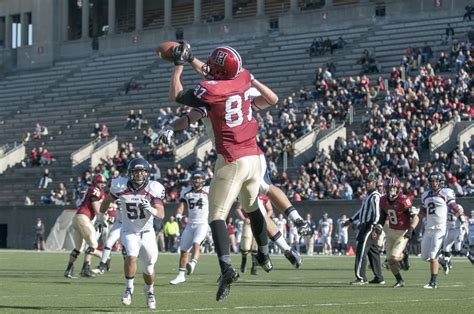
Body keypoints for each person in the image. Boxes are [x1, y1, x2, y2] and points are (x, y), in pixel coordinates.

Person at [168, 42, 279, 301]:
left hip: (231, 159)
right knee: (252, 208)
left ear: (217, 72)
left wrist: (178, 66)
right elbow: (214, 72)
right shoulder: (242, 76)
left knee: (216, 215)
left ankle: (226, 268)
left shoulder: (211, 90)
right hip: (254, 157)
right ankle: (263, 251)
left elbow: (177, 94)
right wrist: (194, 58)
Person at [99, 158, 165, 309]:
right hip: (129, 231)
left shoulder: (153, 188)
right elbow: (107, 199)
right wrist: (99, 216)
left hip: (147, 232)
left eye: (141, 171)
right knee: (131, 256)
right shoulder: (120, 186)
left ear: (147, 173)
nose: (139, 174)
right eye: (135, 171)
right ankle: (129, 289)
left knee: (149, 268)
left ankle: (150, 291)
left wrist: (151, 209)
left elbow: (161, 214)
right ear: (130, 173)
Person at [419, 172, 466, 289]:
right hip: (428, 228)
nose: (434, 183)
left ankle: (433, 282)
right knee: (425, 257)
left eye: (436, 181)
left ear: (441, 182)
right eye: (432, 181)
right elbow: (422, 212)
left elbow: (454, 207)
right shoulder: (425, 195)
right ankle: (444, 262)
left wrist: (463, 220)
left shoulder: (446, 193)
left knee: (433, 255)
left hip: (440, 228)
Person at [375, 177, 419, 288]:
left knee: (394, 257)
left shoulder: (403, 200)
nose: (391, 189)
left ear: (398, 188)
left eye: (394, 187)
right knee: (390, 261)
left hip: (402, 233)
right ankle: (400, 280)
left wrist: (411, 229)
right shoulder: (383, 199)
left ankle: (404, 256)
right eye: (389, 187)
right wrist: (379, 226)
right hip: (391, 231)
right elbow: (383, 216)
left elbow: (415, 217)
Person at [169, 171, 210, 285]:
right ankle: (181, 275)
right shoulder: (186, 191)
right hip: (190, 224)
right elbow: (181, 207)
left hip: (202, 223)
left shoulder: (208, 191)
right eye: (195, 178)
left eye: (199, 178)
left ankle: (192, 263)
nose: (197, 180)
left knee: (196, 243)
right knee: (183, 250)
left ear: (203, 180)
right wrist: (179, 215)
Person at [344, 172, 385, 285]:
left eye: (369, 182)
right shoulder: (369, 196)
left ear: (374, 183)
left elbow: (377, 213)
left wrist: (375, 229)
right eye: (366, 182)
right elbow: (361, 212)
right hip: (366, 225)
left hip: (370, 225)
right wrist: (351, 220)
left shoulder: (375, 196)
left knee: (361, 251)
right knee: (373, 252)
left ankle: (361, 277)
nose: (367, 184)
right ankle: (379, 277)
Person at [64, 174, 107, 278]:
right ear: (95, 182)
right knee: (93, 245)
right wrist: (105, 218)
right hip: (83, 218)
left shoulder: (95, 191)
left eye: (103, 183)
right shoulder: (94, 190)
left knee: (78, 248)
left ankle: (68, 270)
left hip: (77, 218)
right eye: (100, 182)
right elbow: (97, 208)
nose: (102, 185)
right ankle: (85, 269)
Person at [439, 204, 467, 275]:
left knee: (458, 249)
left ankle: (469, 253)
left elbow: (462, 216)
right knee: (445, 249)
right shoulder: (443, 206)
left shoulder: (458, 207)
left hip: (457, 229)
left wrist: (463, 227)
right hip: (448, 229)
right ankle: (447, 264)